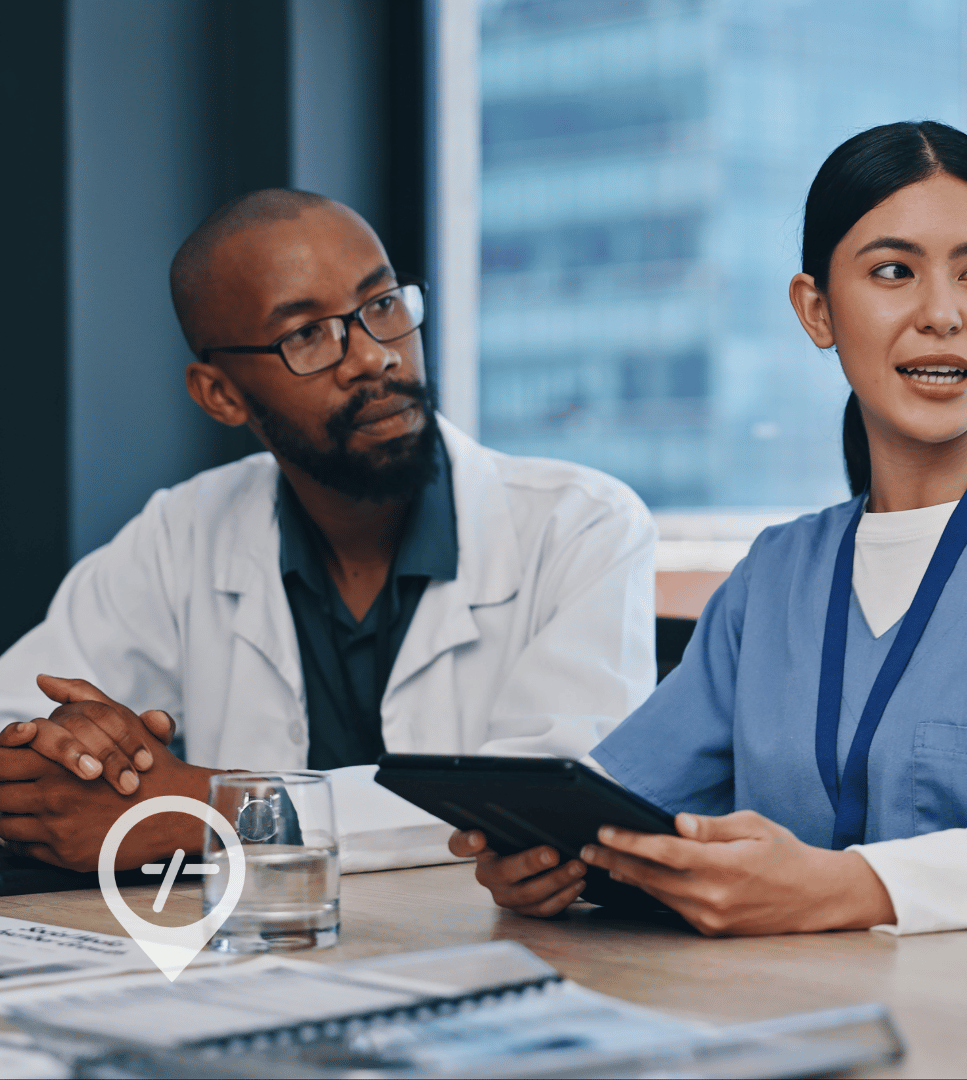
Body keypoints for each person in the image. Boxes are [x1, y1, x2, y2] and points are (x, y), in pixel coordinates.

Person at [454, 121, 967, 945]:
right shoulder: (775, 575)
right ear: (817, 310)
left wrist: (849, 887)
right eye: (894, 272)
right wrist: (554, 854)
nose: (942, 314)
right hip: (826, 1011)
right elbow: (630, 799)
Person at [0, 190, 657, 872]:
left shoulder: (582, 526)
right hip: (251, 960)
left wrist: (205, 810)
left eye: (383, 305)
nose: (374, 357)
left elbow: (557, 796)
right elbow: (16, 720)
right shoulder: (184, 531)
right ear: (220, 394)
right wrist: (74, 753)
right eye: (306, 334)